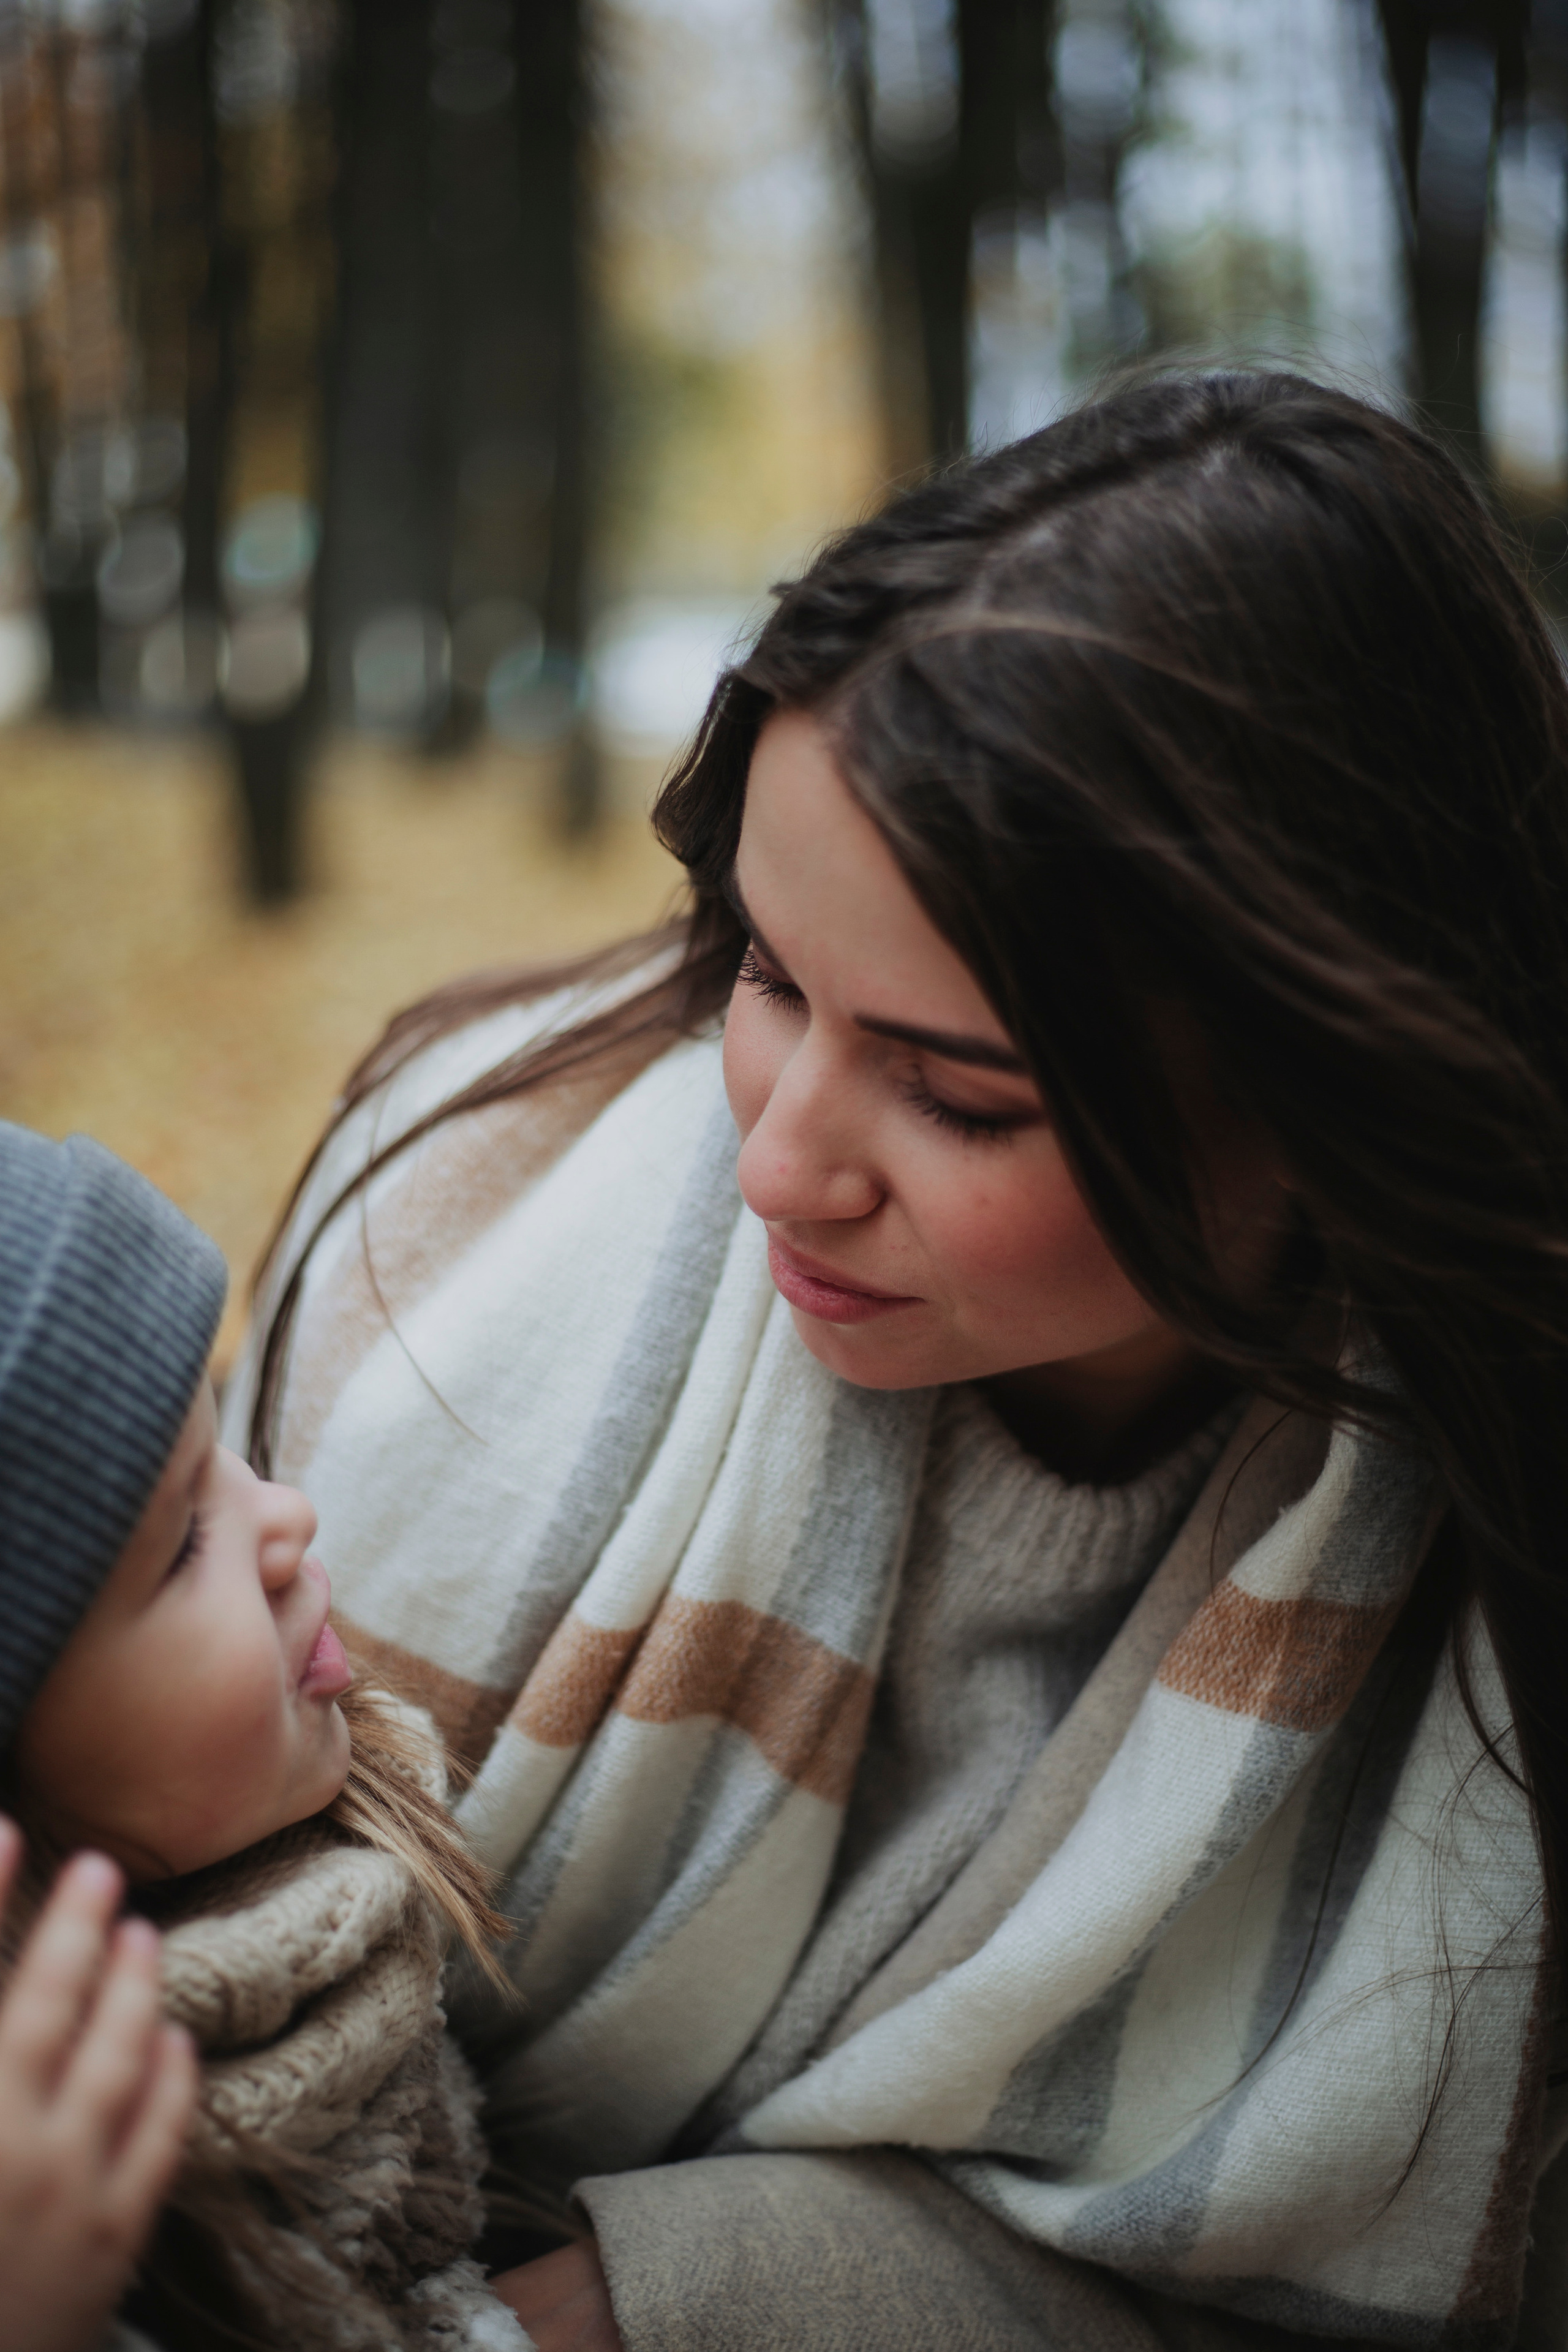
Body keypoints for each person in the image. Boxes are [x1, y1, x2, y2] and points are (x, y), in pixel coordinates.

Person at [227, 370, 1568, 2352]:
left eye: (961, 1099)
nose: (771, 1159)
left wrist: (694, 2298)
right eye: (766, 974)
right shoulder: (445, 1250)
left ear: (1340, 1095)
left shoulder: (1504, 1550)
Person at [0, 1121, 532, 2352]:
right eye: (185, 1542)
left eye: (228, 1447)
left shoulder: (341, 1918)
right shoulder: (54, 2218)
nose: (288, 1514)